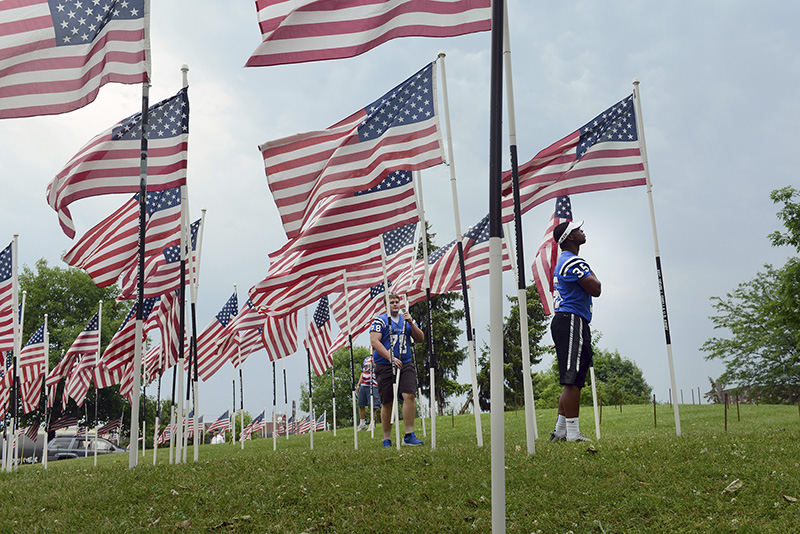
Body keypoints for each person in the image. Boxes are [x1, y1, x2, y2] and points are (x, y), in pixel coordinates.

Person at [549, 220, 601, 442]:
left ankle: (561, 431)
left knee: (576, 379)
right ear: (570, 238)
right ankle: (572, 433)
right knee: (571, 379)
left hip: (571, 320)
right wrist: (590, 271)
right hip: (571, 319)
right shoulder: (572, 262)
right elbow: (596, 288)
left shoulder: (566, 261)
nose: (582, 231)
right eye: (578, 230)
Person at [370, 293, 425, 447]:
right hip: (385, 365)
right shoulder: (380, 320)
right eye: (391, 302)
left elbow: (420, 338)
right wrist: (390, 357)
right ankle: (387, 438)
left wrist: (411, 324)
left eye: (396, 302)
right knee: (387, 402)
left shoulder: (406, 319)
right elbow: (374, 341)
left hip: (405, 363)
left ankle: (409, 434)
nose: (395, 304)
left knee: (409, 395)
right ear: (386, 305)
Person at [355, 355, 380, 430]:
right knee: (361, 404)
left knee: (373, 406)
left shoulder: (378, 358)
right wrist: (359, 384)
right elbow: (363, 372)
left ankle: (372, 423)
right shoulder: (366, 359)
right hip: (363, 384)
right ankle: (362, 423)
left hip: (373, 384)